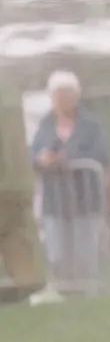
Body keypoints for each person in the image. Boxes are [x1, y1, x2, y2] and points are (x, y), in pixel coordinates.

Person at [30, 71, 110, 286]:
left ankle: (87, 291)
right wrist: (42, 159)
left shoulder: (91, 125)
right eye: (58, 94)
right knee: (57, 253)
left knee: (84, 252)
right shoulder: (45, 125)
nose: (62, 99)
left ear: (76, 96)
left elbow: (101, 155)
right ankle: (62, 290)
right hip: (54, 201)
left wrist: (69, 159)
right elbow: (33, 153)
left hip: (84, 199)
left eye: (67, 94)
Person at [0, 67, 49, 306]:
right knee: (18, 240)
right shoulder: (8, 91)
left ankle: (23, 288)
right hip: (15, 182)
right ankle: (24, 288)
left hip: (9, 182)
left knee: (16, 238)